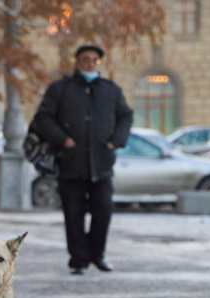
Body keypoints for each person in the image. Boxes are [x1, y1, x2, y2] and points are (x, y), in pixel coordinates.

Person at [33, 44, 133, 274]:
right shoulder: (61, 89)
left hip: (102, 164)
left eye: (95, 60)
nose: (90, 63)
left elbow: (125, 116)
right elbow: (43, 117)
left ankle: (97, 255)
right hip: (70, 163)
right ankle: (78, 259)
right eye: (86, 59)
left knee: (104, 210)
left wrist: (115, 141)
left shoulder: (111, 90)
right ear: (76, 62)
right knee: (73, 214)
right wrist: (63, 139)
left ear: (99, 63)